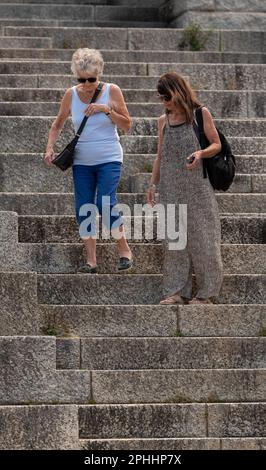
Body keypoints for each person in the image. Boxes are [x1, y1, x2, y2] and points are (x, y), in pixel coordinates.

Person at [44, 48, 133, 273]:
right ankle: (91, 260)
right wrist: (49, 147)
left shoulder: (112, 91)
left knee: (105, 201)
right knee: (84, 208)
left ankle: (124, 250)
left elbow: (127, 125)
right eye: (81, 79)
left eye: (91, 79)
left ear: (99, 73)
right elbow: (58, 124)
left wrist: (106, 110)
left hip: (109, 157)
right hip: (82, 160)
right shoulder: (71, 94)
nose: (86, 84)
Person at [147, 72, 223, 304]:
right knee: (173, 242)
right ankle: (177, 291)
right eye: (161, 98)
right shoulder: (163, 121)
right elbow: (160, 156)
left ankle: (207, 293)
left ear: (178, 91)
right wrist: (152, 184)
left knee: (204, 239)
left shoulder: (201, 114)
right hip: (170, 187)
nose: (165, 102)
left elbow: (217, 144)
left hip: (197, 187)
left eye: (167, 96)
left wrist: (201, 153)